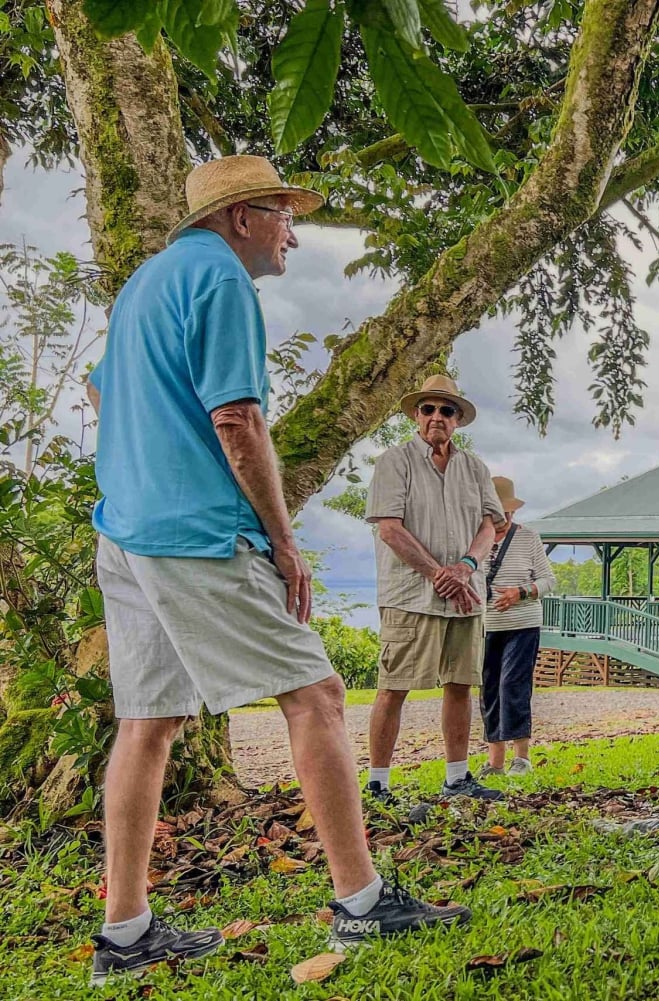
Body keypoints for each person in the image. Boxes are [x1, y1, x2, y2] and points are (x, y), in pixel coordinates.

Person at [84, 156, 467, 983]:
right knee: (319, 693)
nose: (293, 232)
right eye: (285, 215)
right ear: (243, 216)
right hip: (194, 531)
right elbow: (238, 420)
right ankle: (362, 902)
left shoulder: (145, 284)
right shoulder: (221, 281)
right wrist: (283, 541)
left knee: (148, 721)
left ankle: (125, 934)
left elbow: (102, 395)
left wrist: (141, 463)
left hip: (125, 531)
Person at [364, 374, 504, 803]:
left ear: (458, 419)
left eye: (446, 410)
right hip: (410, 594)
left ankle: (457, 778)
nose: (437, 417)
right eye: (429, 409)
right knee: (393, 686)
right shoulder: (395, 461)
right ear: (416, 416)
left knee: (460, 684)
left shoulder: (475, 468)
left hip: (466, 594)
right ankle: (378, 783)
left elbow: (490, 526)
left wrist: (464, 567)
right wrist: (438, 574)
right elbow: (389, 528)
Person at [477, 476, 557, 778]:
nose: (505, 518)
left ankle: (521, 756)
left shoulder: (528, 538)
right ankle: (495, 759)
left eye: (509, 512)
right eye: (499, 512)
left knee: (514, 684)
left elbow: (549, 580)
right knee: (489, 689)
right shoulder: (475, 538)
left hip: (523, 622)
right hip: (486, 625)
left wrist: (520, 592)